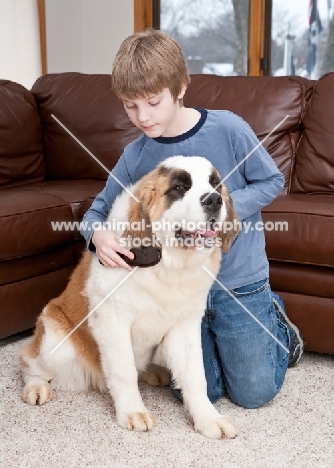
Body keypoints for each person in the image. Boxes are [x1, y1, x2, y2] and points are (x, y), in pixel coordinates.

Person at [80, 29, 304, 409]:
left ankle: (276, 320)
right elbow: (96, 212)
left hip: (238, 281)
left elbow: (272, 180)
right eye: (130, 106)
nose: (143, 116)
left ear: (180, 87)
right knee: (200, 390)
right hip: (180, 292)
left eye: (153, 101)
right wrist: (98, 236)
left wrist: (220, 213)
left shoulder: (229, 128)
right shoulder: (137, 155)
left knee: (253, 392)